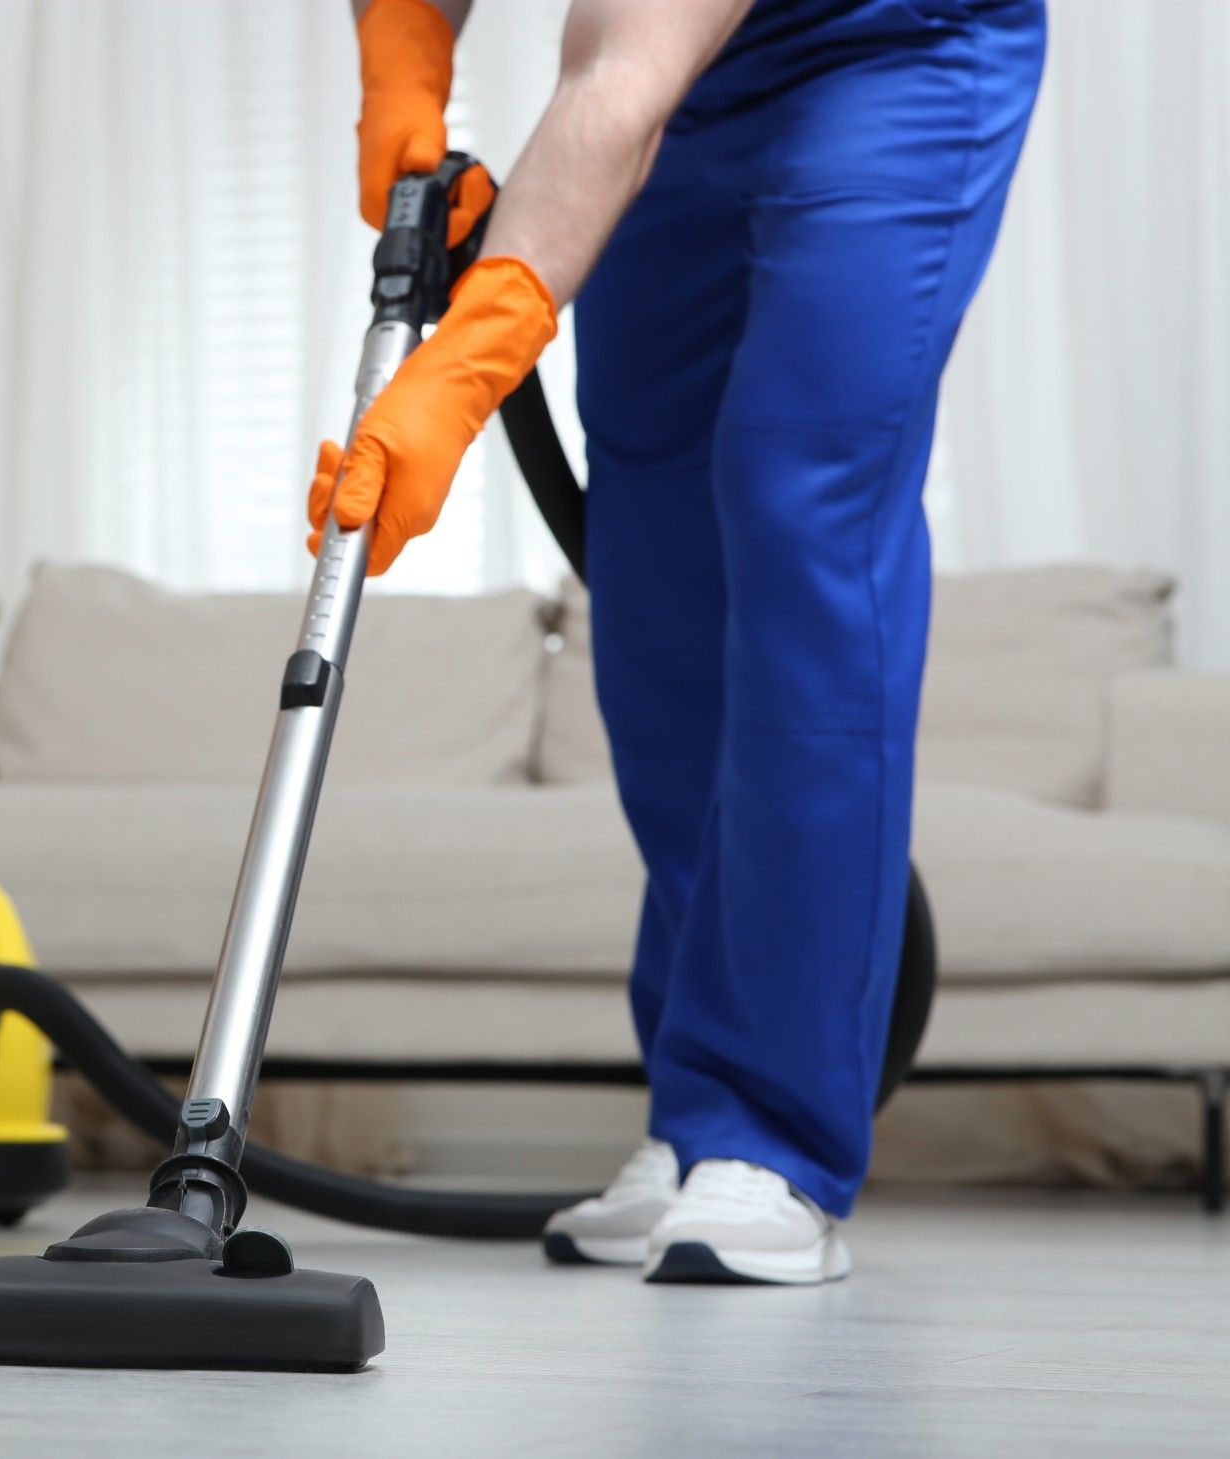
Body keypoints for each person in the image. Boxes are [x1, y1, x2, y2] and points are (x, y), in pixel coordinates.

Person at [317, 0, 1044, 1283]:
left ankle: (776, 1139)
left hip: (893, 54)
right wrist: (403, 65)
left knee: (796, 496)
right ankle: (698, 1103)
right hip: (692, 76)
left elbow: (618, 78)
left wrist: (462, 371)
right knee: (654, 551)